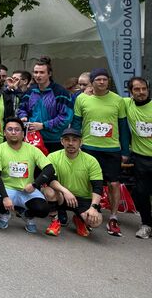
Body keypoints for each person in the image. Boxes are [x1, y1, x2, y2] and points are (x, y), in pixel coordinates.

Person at [72, 67, 130, 236]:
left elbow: (123, 127)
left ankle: (113, 217)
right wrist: (76, 144)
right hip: (89, 147)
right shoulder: (82, 99)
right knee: (89, 183)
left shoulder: (118, 100)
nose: (102, 82)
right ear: (92, 82)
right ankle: (88, 212)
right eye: (98, 79)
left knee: (113, 184)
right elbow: (76, 123)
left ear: (108, 81)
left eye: (105, 79)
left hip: (111, 149)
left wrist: (125, 150)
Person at [0, 117, 54, 233]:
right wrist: (5, 197)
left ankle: (27, 215)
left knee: (43, 210)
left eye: (17, 130)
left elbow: (49, 169)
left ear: (23, 133)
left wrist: (34, 184)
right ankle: (5, 214)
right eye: (10, 129)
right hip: (7, 189)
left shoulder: (32, 150)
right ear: (4, 132)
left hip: (27, 190)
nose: (13, 132)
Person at [41, 128, 103, 237]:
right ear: (61, 141)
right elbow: (50, 180)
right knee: (48, 191)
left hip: (83, 198)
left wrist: (93, 207)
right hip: (62, 196)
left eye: (74, 140)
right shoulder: (53, 156)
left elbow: (97, 187)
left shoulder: (91, 160)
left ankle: (79, 219)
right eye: (67, 139)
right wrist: (65, 191)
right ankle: (55, 221)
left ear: (81, 142)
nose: (70, 143)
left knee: (96, 221)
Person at [17, 56, 73, 154]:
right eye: (36, 72)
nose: (38, 75)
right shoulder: (30, 91)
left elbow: (66, 117)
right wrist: (23, 116)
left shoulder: (60, 92)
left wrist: (44, 125)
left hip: (54, 141)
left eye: (42, 72)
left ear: (49, 74)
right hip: (32, 139)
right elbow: (22, 108)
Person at [123, 76, 152, 238]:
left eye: (144, 89)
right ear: (130, 92)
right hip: (140, 157)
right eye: (137, 89)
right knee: (141, 192)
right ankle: (146, 224)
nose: (141, 92)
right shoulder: (127, 104)